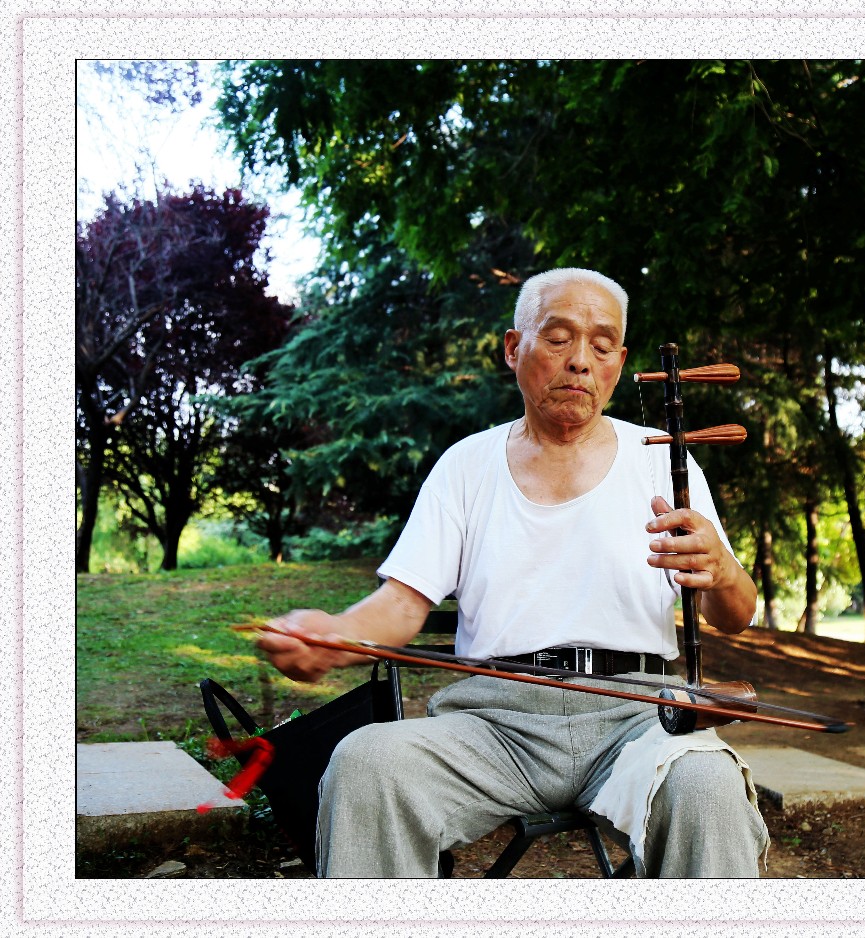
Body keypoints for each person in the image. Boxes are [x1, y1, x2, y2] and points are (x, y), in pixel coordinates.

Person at [257, 267, 769, 877]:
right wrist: (334, 634)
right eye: (558, 338)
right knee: (368, 762)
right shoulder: (466, 465)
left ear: (620, 361)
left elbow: (735, 614)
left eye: (602, 345)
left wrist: (722, 571)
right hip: (491, 723)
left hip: (637, 717)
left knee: (708, 784)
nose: (580, 361)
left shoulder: (663, 459)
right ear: (512, 347)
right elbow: (400, 605)